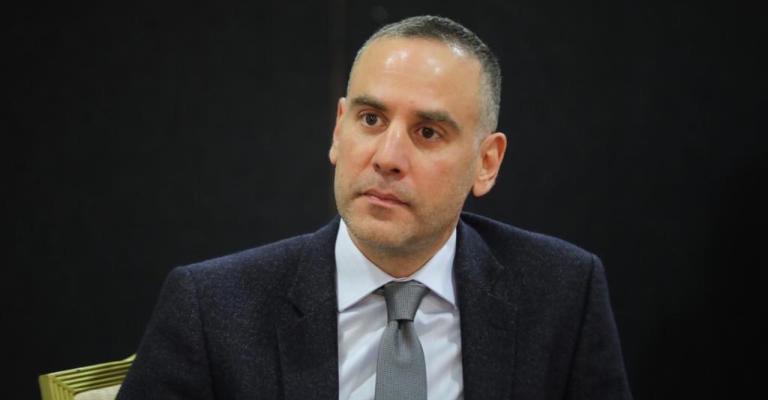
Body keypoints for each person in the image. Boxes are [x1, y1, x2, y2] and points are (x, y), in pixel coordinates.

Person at [117, 15, 632, 400]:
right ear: (338, 130)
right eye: (370, 120)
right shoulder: (211, 310)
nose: (387, 157)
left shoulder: (562, 293)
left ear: (486, 162)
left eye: (427, 132)